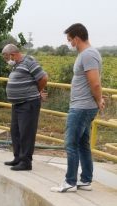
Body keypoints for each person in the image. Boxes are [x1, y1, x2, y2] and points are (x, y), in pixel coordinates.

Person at [51, 23, 104, 193]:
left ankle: (70, 182)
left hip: (81, 107)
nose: (69, 43)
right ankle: (86, 180)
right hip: (82, 106)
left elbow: (95, 83)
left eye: (70, 40)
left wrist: (99, 100)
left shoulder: (88, 55)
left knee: (71, 144)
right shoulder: (86, 54)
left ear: (77, 38)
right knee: (82, 144)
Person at [2, 44, 48, 171]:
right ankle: (18, 158)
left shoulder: (29, 61)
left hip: (29, 103)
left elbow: (43, 77)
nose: (7, 60)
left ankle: (26, 162)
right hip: (17, 104)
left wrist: (37, 91)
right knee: (15, 131)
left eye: (7, 57)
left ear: (13, 54)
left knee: (26, 133)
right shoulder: (16, 65)